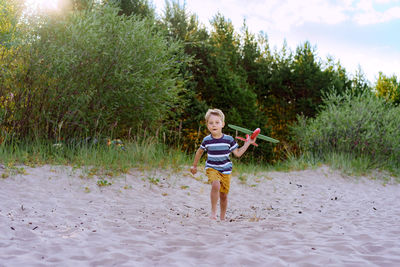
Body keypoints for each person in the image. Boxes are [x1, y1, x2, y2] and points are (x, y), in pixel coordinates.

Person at [190, 108, 256, 220]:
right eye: (211, 123)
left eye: (217, 122)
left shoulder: (229, 140)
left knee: (224, 196)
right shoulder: (207, 140)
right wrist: (194, 166)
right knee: (215, 185)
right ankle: (213, 212)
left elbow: (238, 153)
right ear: (207, 125)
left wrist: (248, 143)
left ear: (223, 124)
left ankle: (222, 217)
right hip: (212, 168)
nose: (214, 125)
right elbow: (199, 152)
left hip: (226, 170)